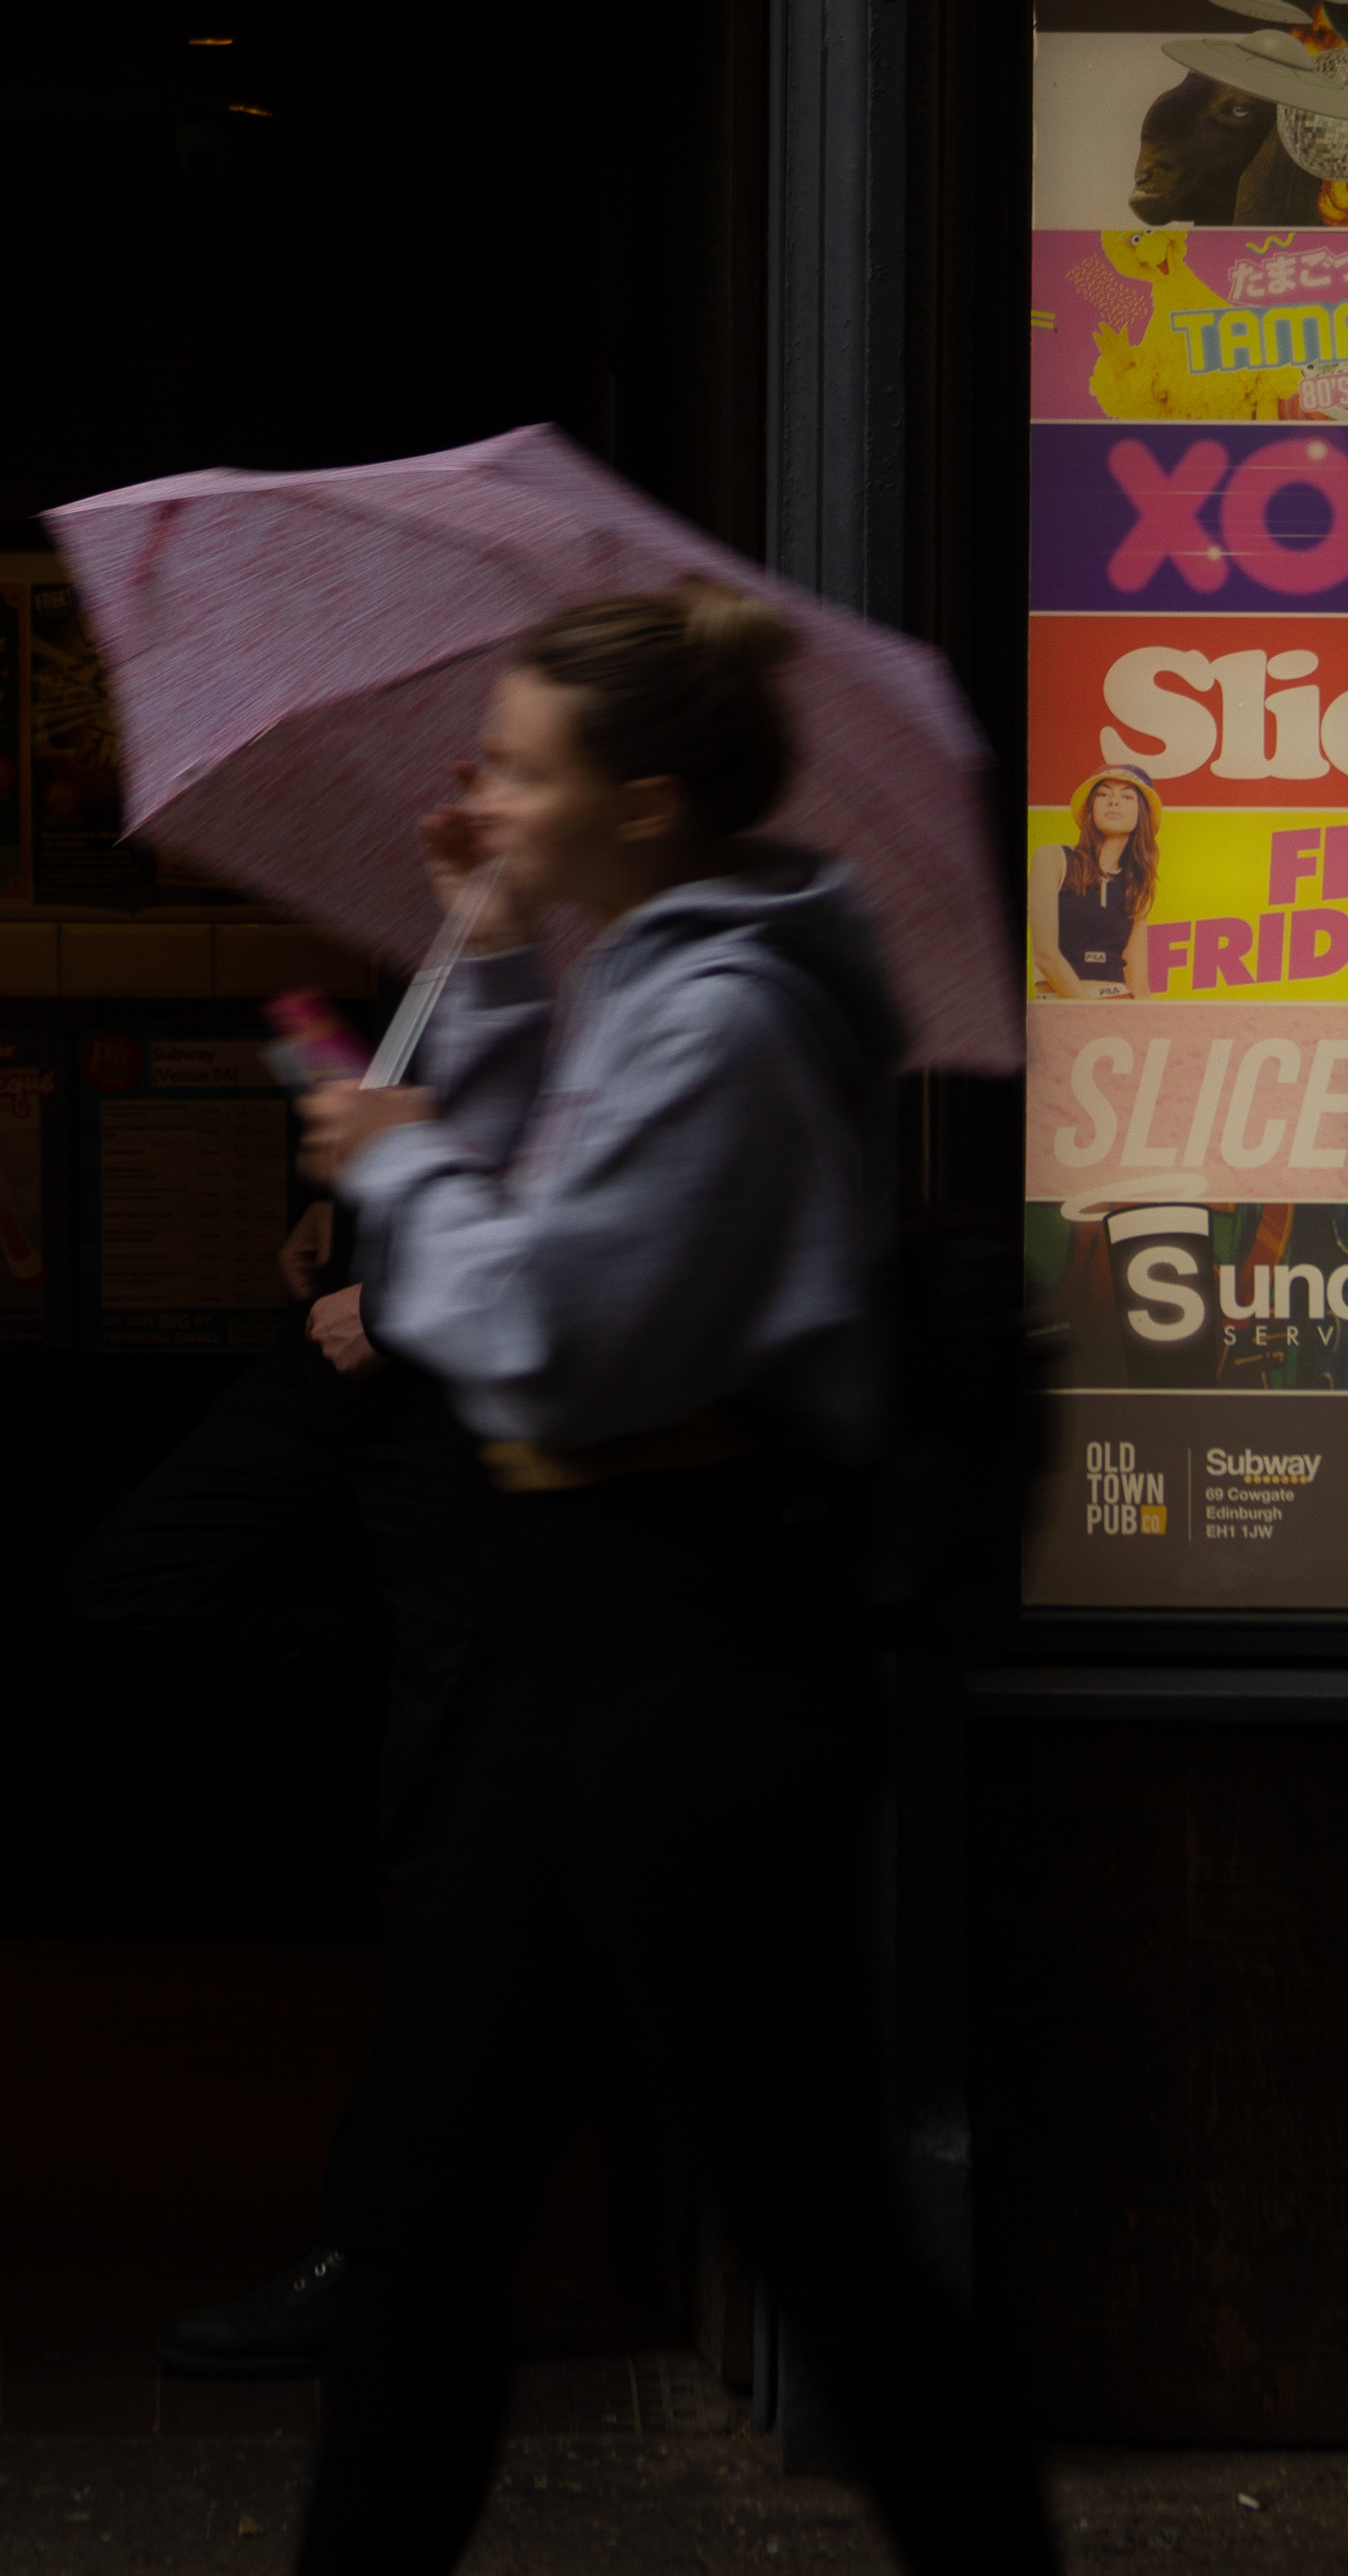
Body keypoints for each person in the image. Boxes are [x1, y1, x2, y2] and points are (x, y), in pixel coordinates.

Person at [292, 582, 1054, 2576]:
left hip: (689, 1653)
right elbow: (556, 1158)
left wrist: (395, 1169)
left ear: (644, 801)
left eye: (524, 772)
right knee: (434, 2193)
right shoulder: (650, 974)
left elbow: (561, 1328)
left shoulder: (721, 1018)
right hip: (595, 1636)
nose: (486, 798)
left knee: (805, 2216)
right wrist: (488, 951)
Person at [65, 1188, 490, 2377]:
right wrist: (341, 1206)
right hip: (344, 1352)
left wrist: (402, 1301)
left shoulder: (650, 1003)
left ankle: (379, 2261)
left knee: (440, 1875)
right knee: (133, 1589)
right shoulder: (443, 992)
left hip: (451, 1376)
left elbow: (612, 1200)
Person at [1026, 768, 1159, 998]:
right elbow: (1045, 955)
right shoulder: (1052, 859)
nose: (1114, 802)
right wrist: (1089, 1015)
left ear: (1141, 815)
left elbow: (1138, 984)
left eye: (1127, 797)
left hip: (1120, 1010)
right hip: (1064, 1009)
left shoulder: (1136, 885)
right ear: (1091, 808)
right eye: (1103, 794)